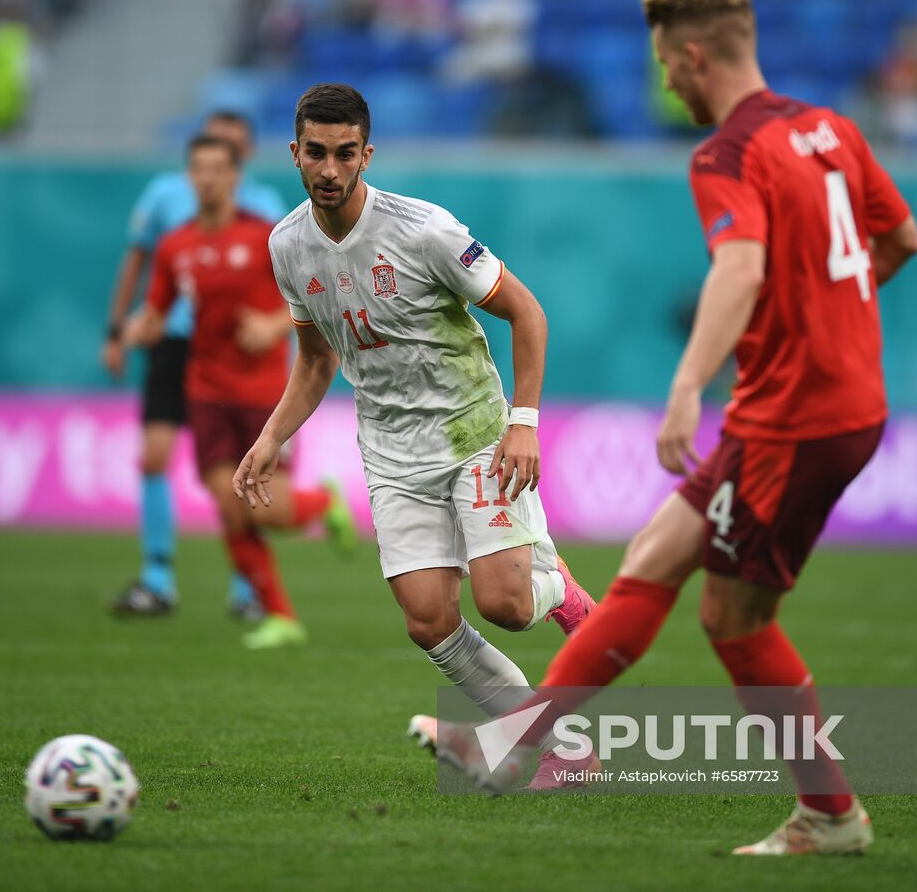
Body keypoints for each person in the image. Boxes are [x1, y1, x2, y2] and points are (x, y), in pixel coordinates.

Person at [418, 0, 917, 854]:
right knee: (653, 557)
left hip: (794, 418)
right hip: (829, 402)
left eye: (663, 65)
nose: (665, 83)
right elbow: (901, 238)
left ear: (693, 57)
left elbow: (741, 267)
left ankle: (832, 813)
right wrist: (823, 317)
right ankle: (518, 742)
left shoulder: (727, 153)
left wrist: (688, 385)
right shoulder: (832, 130)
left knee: (735, 621)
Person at [232, 84, 596, 744]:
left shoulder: (424, 230)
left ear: (366, 155)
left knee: (506, 605)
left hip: (473, 433)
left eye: (345, 153)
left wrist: (524, 422)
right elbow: (316, 360)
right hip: (393, 454)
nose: (330, 169)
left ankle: (560, 591)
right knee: (428, 621)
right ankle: (554, 746)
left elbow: (526, 312)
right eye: (316, 153)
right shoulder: (287, 246)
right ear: (294, 153)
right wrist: (271, 436)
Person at [124, 135, 356, 649]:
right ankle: (281, 616)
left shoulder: (266, 238)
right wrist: (140, 328)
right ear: (190, 177)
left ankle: (324, 501)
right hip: (206, 392)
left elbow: (313, 296)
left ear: (235, 177)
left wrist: (274, 326)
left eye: (218, 169)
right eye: (199, 169)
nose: (208, 179)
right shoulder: (175, 246)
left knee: (267, 512)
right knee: (231, 508)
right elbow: (157, 310)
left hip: (264, 395)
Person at [104, 111, 287, 619]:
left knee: (246, 484)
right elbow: (139, 262)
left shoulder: (266, 209)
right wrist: (120, 329)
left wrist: (274, 331)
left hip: (240, 353)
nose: (212, 169)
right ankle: (157, 579)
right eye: (207, 153)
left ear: (243, 157)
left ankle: (246, 589)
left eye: (230, 149)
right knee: (154, 457)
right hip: (176, 341)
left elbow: (295, 291)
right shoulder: (166, 197)